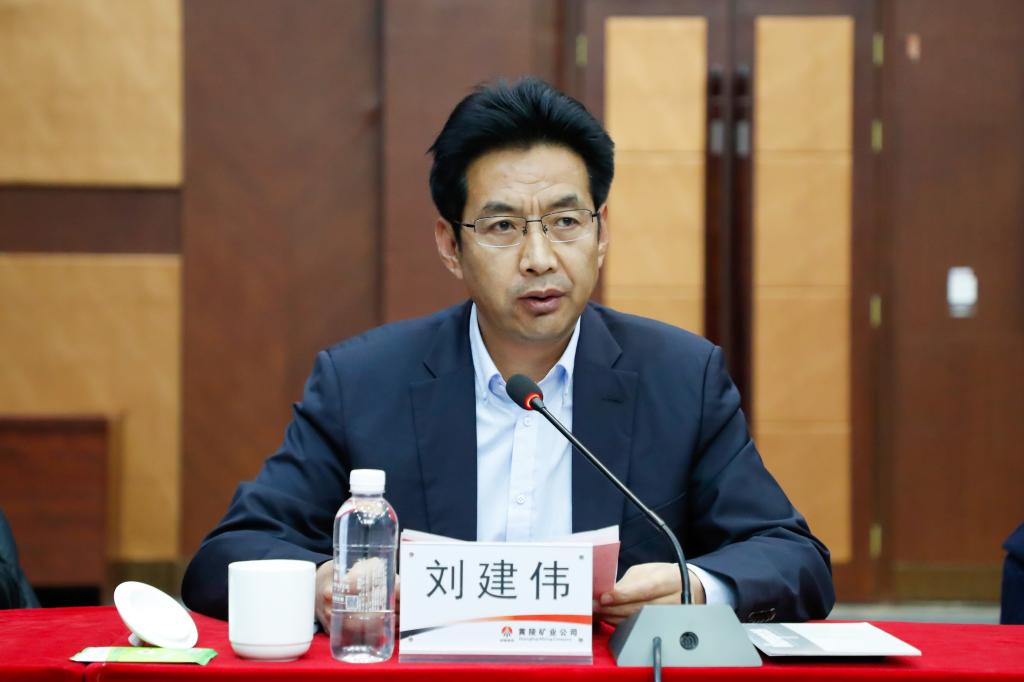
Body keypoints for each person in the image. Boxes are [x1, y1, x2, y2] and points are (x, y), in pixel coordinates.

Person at [182, 77, 834, 629]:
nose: (540, 258)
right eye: (502, 227)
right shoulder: (362, 383)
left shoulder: (681, 378)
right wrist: (323, 583)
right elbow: (227, 555)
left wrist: (696, 589)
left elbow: (794, 559)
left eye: (566, 221)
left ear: (602, 231)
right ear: (450, 245)